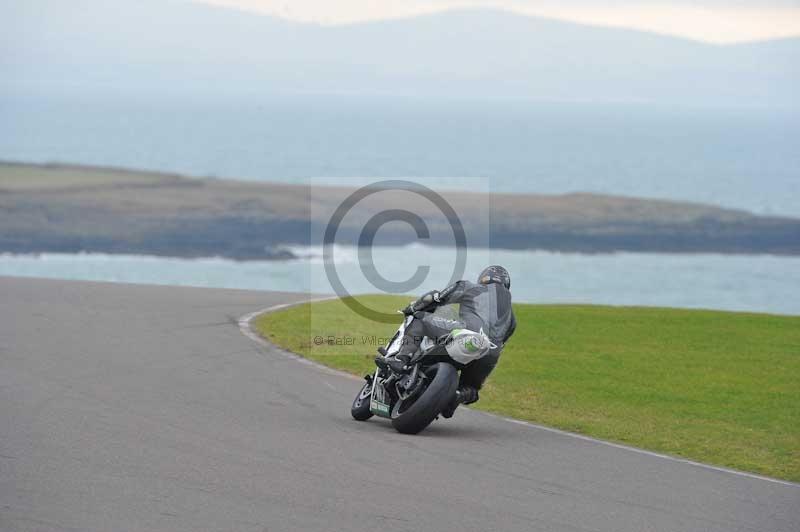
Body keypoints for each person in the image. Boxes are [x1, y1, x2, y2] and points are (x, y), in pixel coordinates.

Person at [382, 265, 516, 417]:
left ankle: (401, 359)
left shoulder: (471, 287)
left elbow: (436, 297)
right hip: (490, 354)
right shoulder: (511, 318)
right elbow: (504, 339)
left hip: (467, 334)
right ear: (506, 284)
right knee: (471, 387)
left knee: (420, 319)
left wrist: (413, 308)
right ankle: (458, 395)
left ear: (483, 278)